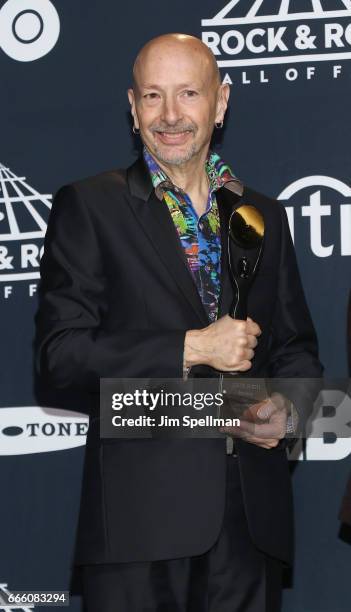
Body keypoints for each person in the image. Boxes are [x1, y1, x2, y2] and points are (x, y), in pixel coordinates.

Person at [35, 33, 323, 612]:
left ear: (221, 103)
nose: (170, 115)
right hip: (140, 532)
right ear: (133, 107)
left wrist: (287, 411)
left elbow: (296, 347)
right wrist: (189, 346)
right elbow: (59, 358)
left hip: (250, 528)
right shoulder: (90, 206)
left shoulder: (261, 212)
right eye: (153, 96)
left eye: (189, 94)